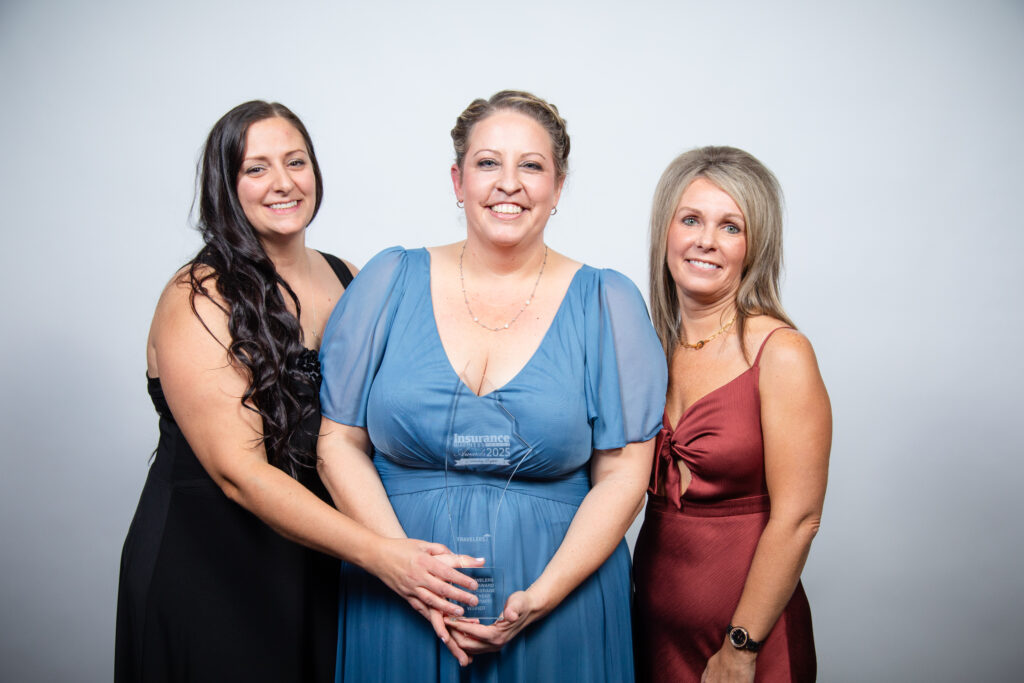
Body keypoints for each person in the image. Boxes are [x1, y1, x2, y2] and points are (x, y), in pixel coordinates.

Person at [115, 101, 480, 683]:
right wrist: (384, 555)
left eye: (295, 161)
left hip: (321, 557)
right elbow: (239, 472)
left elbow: (384, 418)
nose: (283, 183)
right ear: (226, 184)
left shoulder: (349, 276)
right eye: (256, 168)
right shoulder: (197, 296)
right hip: (210, 561)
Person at [316, 90, 667, 682]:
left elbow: (626, 474)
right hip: (396, 600)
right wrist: (399, 564)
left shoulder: (607, 301)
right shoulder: (387, 281)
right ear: (458, 180)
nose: (509, 183)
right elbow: (337, 443)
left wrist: (543, 597)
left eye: (531, 165)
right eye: (487, 163)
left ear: (558, 187)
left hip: (560, 607)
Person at [633, 146, 831, 682]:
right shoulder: (650, 350)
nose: (706, 241)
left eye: (730, 227)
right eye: (690, 219)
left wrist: (741, 647)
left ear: (754, 245)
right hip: (652, 634)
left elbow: (799, 519)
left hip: (747, 644)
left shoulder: (781, 352)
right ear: (665, 230)